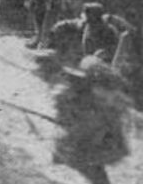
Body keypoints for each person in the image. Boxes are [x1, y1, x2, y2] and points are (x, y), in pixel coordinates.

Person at [53, 56, 132, 184]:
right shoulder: (77, 94)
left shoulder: (104, 97)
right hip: (83, 145)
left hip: (90, 145)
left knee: (93, 171)